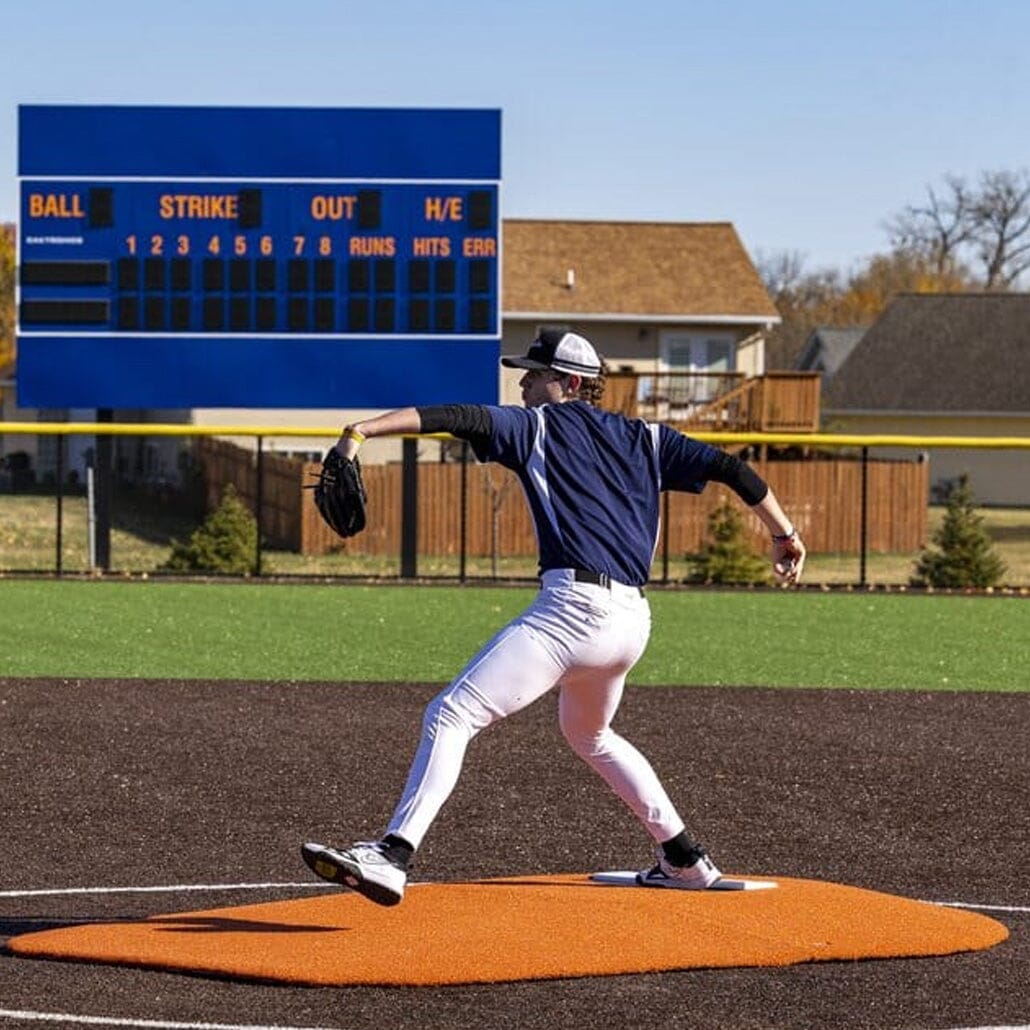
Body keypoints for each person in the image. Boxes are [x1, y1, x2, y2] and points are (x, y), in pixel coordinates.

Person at [302, 328, 807, 906]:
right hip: (631, 622)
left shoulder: (537, 425)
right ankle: (685, 860)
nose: (522, 382)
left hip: (574, 611)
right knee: (589, 734)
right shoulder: (647, 437)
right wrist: (784, 535)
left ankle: (392, 855)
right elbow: (734, 470)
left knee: (451, 714)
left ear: (569, 384)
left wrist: (360, 431)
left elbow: (454, 417)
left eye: (534, 374)